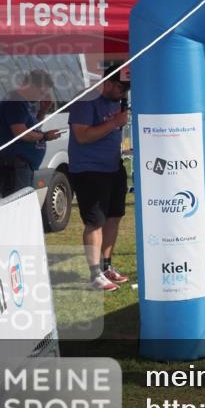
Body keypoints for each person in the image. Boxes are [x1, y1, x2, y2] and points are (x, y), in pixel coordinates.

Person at [68, 72, 131, 291]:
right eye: (121, 89)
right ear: (109, 82)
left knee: (114, 217)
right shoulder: (86, 100)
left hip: (113, 167)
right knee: (95, 222)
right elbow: (82, 136)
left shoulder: (116, 102)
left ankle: (106, 266)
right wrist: (115, 122)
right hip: (89, 170)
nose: (123, 94)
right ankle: (94, 274)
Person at [0, 69, 63, 198]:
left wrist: (42, 111)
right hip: (13, 164)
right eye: (41, 92)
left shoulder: (24, 103)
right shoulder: (15, 101)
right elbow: (21, 133)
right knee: (18, 204)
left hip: (21, 165)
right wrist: (45, 136)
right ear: (31, 85)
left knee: (22, 203)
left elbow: (33, 129)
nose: (41, 96)